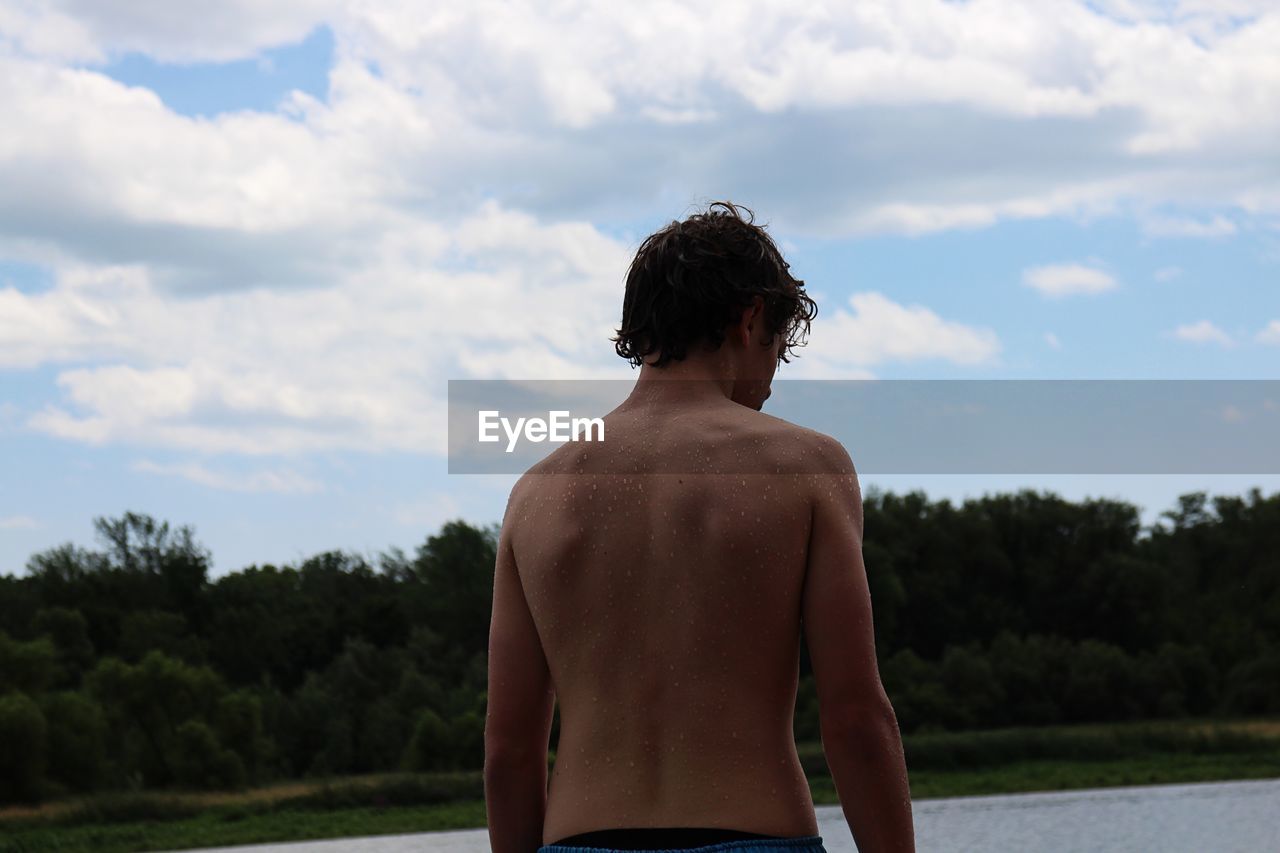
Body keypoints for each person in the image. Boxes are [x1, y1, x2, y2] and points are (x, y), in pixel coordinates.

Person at [484, 201, 915, 853]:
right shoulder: (805, 465)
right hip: (756, 835)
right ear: (749, 320)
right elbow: (856, 718)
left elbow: (510, 755)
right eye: (776, 348)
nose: (769, 385)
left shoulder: (536, 492)